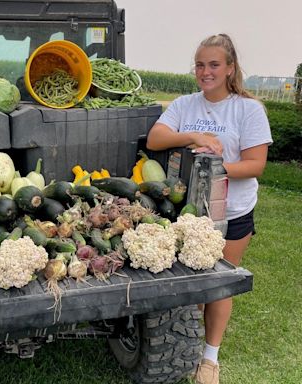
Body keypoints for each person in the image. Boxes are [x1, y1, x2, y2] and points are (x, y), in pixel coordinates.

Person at [146, 34, 272, 384]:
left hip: (232, 211)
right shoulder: (186, 104)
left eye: (214, 64)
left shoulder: (248, 110)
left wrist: (212, 167)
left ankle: (209, 359)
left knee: (220, 285)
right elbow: (156, 139)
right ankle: (186, 336)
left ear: (230, 68)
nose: (205, 71)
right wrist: (194, 137)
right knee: (189, 285)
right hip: (187, 214)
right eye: (200, 65)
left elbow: (255, 165)